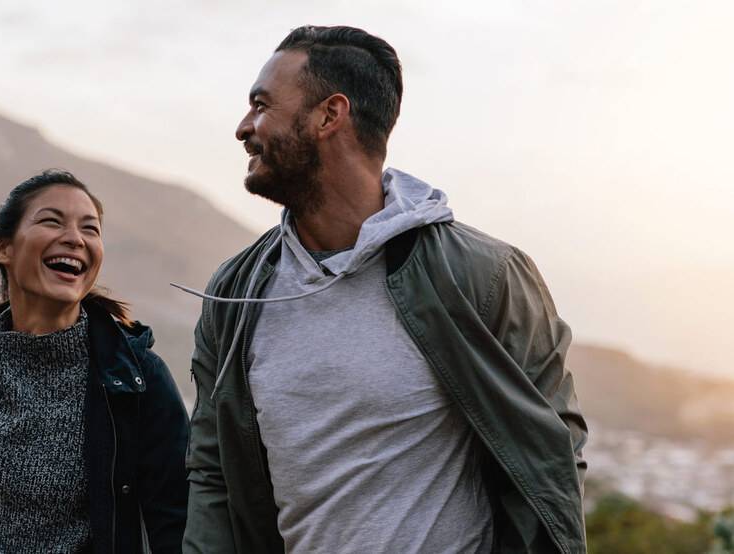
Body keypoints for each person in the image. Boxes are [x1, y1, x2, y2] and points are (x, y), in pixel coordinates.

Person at [178, 26, 588, 553]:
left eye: (261, 105)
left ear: (330, 115)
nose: (243, 127)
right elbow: (213, 471)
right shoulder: (235, 294)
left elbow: (551, 453)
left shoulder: (485, 276)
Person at [0, 170, 189, 554]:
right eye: (51, 221)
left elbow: (175, 524)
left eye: (90, 229)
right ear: (3, 248)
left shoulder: (136, 376)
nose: (75, 239)